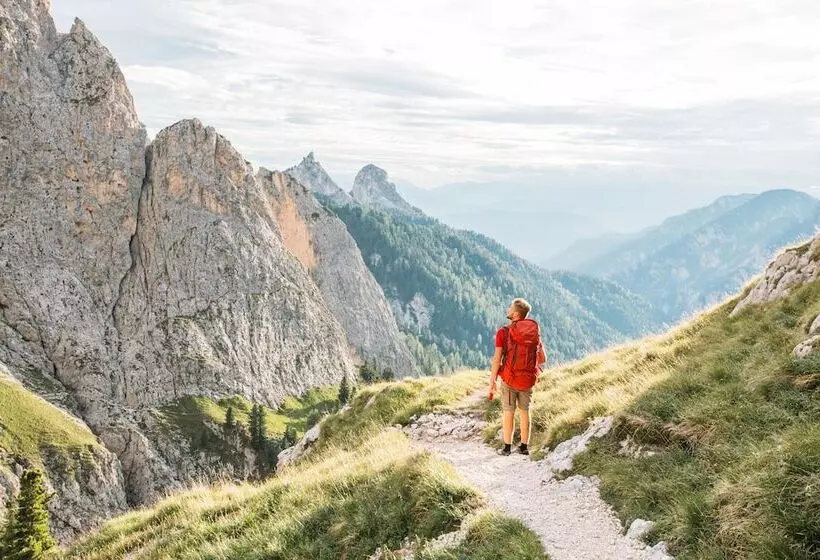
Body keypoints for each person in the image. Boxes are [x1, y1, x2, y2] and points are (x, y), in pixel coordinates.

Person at [488, 298, 547, 456]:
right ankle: (524, 447)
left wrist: (492, 380)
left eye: (510, 307)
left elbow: (497, 358)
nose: (507, 309)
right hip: (527, 380)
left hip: (509, 378)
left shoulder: (504, 332)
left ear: (514, 314)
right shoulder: (533, 332)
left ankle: (507, 448)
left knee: (509, 412)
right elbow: (542, 359)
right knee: (524, 412)